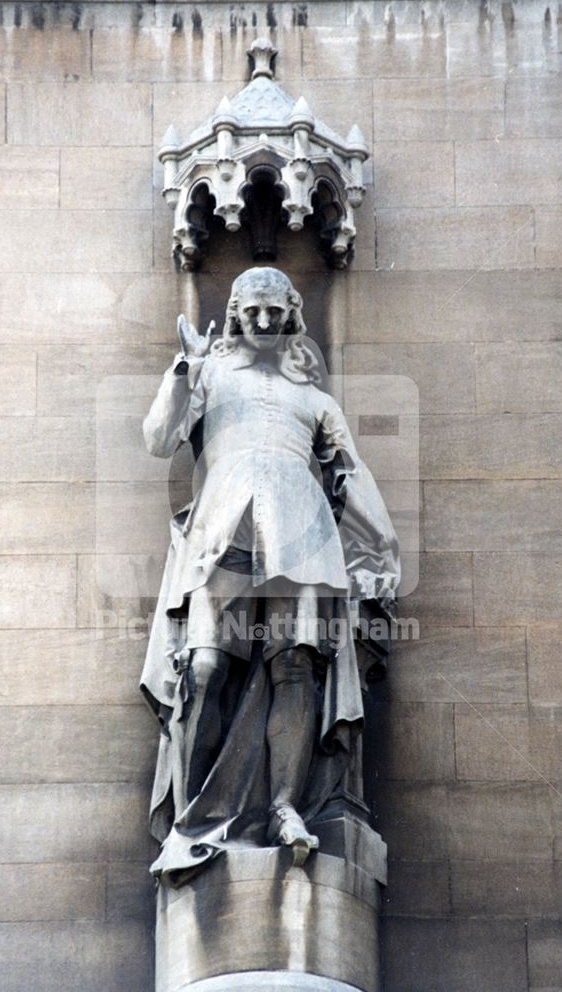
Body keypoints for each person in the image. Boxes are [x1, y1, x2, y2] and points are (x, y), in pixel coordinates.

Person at [140, 267, 399, 883]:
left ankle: (285, 805)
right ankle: (192, 817)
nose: (262, 322)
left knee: (295, 664)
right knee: (204, 668)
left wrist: (381, 548)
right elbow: (158, 438)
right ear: (234, 314)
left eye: (273, 312)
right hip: (222, 534)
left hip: (301, 535)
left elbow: (351, 477)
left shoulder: (314, 400)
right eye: (251, 311)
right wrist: (184, 371)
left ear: (290, 317)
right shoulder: (209, 374)